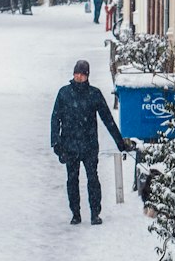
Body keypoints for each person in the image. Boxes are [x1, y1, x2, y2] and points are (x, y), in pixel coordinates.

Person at [51, 59, 127, 225]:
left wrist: (120, 143)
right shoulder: (64, 93)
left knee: (93, 179)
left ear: (87, 76)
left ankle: (95, 213)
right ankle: (76, 213)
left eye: (82, 74)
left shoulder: (94, 94)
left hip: (89, 145)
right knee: (72, 180)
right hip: (69, 145)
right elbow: (55, 119)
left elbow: (107, 119)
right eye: (77, 73)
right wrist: (56, 143)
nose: (79, 77)